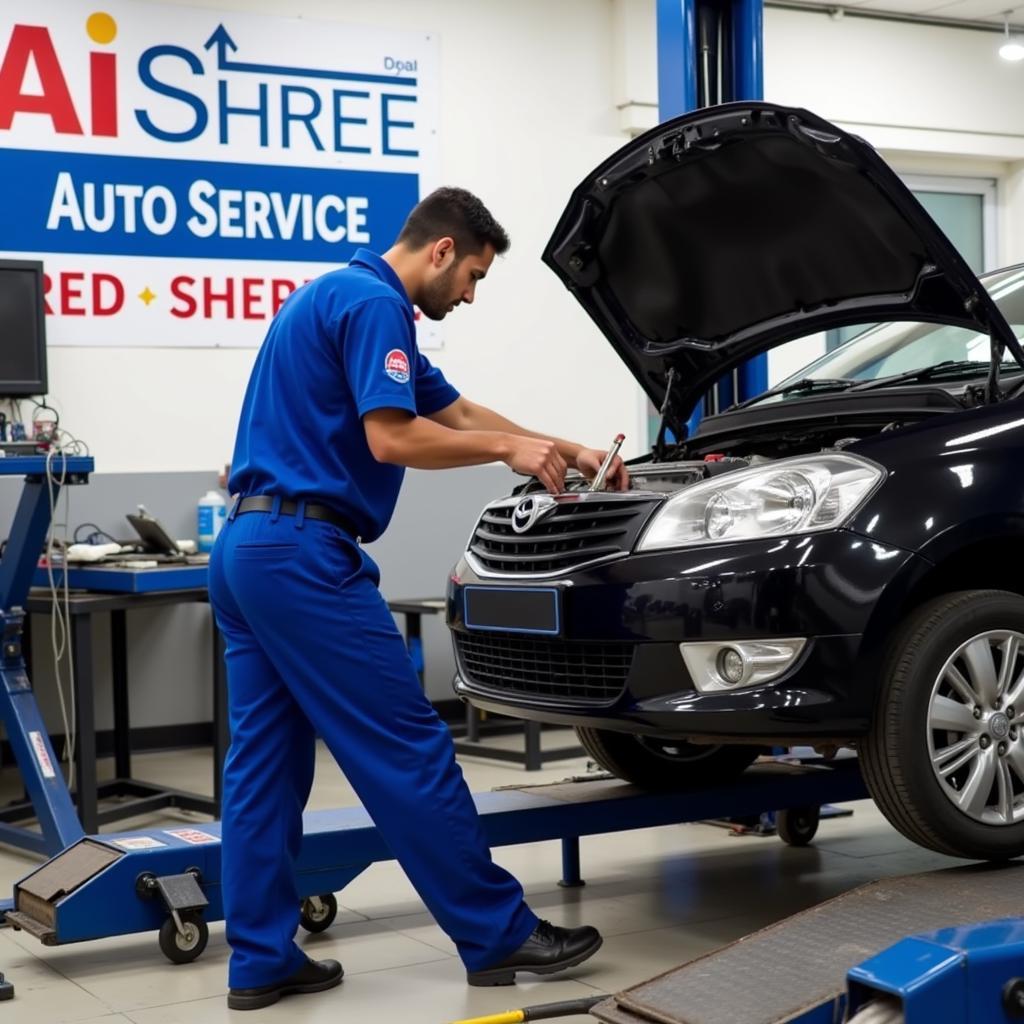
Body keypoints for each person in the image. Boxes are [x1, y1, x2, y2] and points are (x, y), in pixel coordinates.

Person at [210, 187, 630, 1011]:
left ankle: (260, 957)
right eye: (473, 275)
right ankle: (497, 932)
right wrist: (507, 449)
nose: (469, 296)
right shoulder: (375, 305)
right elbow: (392, 436)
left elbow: (457, 408)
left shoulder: (334, 295)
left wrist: (564, 449)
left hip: (246, 551)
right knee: (406, 747)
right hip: (303, 555)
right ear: (441, 250)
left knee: (265, 766)